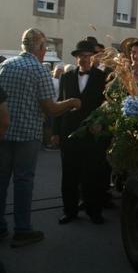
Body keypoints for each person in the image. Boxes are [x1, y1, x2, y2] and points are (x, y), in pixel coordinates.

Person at [0, 29, 81, 247]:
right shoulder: (39, 70)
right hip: (27, 136)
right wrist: (71, 102)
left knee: (1, 181)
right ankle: (22, 229)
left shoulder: (6, 65)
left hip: (3, 133)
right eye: (45, 47)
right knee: (23, 182)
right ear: (41, 48)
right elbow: (51, 108)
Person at [52, 40, 108, 225]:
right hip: (69, 133)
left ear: (92, 58)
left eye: (86, 56)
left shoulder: (103, 78)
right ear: (75, 58)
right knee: (69, 175)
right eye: (80, 57)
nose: (83, 60)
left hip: (93, 133)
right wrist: (55, 131)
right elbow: (59, 103)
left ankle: (94, 211)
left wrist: (101, 124)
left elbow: (106, 106)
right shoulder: (66, 77)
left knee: (93, 174)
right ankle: (70, 211)